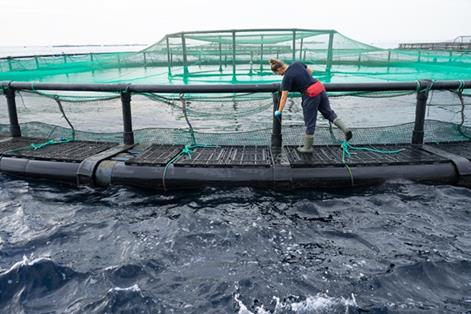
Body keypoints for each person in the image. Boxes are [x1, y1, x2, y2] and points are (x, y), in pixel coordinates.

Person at [269, 58, 352, 153]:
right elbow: (310, 71)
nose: (279, 75)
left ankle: (307, 147)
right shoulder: (297, 64)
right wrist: (303, 80)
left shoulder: (287, 78)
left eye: (277, 73)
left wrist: (279, 110)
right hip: (319, 87)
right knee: (328, 112)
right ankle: (345, 129)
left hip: (310, 94)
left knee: (310, 121)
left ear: (279, 69)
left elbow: (283, 97)